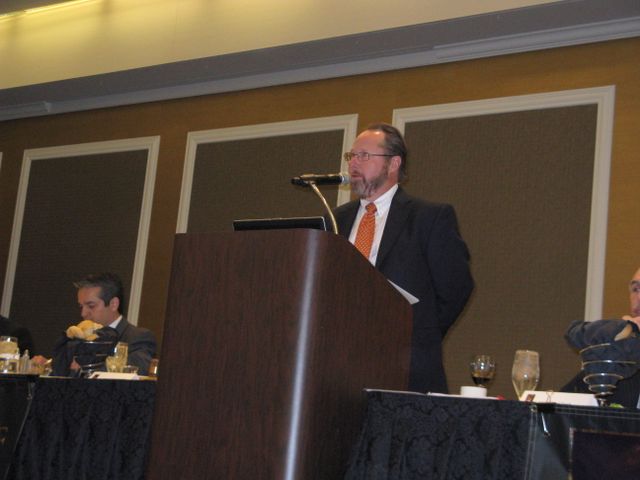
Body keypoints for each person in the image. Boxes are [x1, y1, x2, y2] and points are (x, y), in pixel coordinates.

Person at [333, 123, 474, 393]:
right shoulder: (336, 219)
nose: (353, 163)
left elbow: (456, 288)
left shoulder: (428, 218)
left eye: (364, 155)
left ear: (393, 163)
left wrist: (417, 334)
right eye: (351, 156)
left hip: (406, 368)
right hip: (341, 367)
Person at [48, 272, 157, 376]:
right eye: (81, 306)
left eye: (91, 306)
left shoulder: (139, 337)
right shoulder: (78, 338)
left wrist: (85, 368)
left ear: (113, 304)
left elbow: (136, 371)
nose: (83, 313)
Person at [562, 266, 640, 408]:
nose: (639, 298)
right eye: (636, 289)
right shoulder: (620, 359)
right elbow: (574, 333)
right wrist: (624, 329)